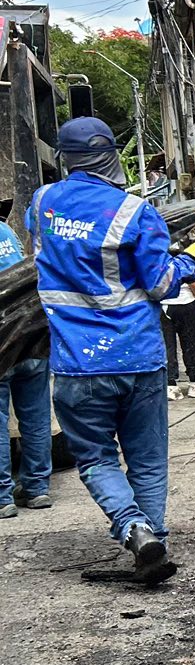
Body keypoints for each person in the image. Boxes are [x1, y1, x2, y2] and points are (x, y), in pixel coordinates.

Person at [34, 117, 195, 581]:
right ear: (110, 154)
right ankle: (155, 543)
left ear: (66, 157)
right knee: (146, 460)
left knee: (95, 457)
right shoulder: (134, 212)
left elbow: (48, 257)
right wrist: (191, 259)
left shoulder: (43, 202)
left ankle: (132, 529)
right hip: (139, 356)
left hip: (76, 362)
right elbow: (162, 284)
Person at [0, 215, 53, 517]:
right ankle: (36, 488)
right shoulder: (7, 231)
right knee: (35, 417)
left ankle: (3, 496)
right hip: (30, 336)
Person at [159, 258, 195, 396]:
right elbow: (194, 282)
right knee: (191, 343)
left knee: (167, 345)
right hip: (186, 303)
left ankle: (170, 385)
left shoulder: (157, 256)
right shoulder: (186, 260)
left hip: (163, 306)